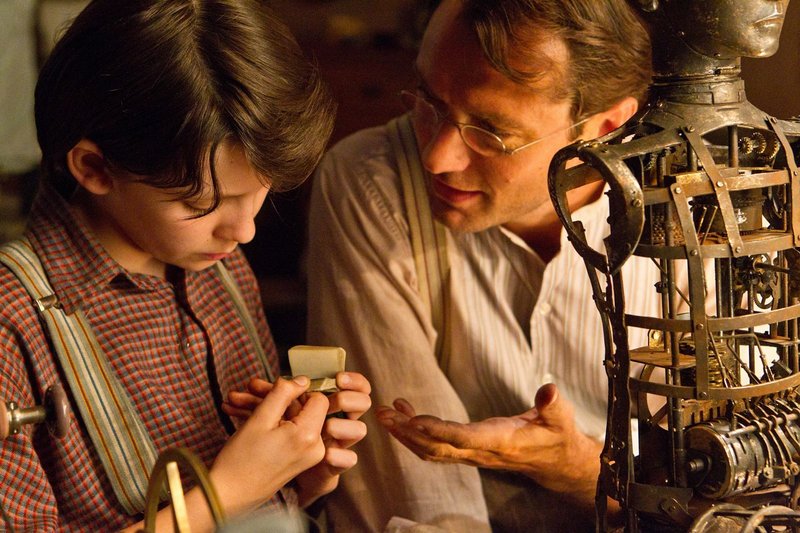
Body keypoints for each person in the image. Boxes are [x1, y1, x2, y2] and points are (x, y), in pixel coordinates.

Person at [0, 1, 371, 531]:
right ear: (95, 168)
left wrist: (300, 464)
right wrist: (228, 493)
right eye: (203, 205)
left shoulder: (218, 266)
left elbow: (277, 508)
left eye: (259, 193)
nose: (244, 231)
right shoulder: (13, 322)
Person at [306, 0, 658, 531]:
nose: (437, 158)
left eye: (491, 132)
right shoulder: (376, 182)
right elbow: (416, 499)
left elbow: (729, 500)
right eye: (429, 101)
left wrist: (579, 470)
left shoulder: (701, 223)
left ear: (604, 130)